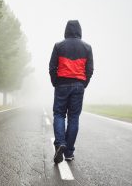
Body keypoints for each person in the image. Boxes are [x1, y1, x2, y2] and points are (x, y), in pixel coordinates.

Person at [49, 20, 94, 164]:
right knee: (74, 117)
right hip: (78, 86)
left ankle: (60, 143)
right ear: (79, 30)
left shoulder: (58, 46)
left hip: (62, 84)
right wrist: (83, 84)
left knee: (59, 114)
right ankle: (68, 152)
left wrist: (56, 82)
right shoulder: (87, 47)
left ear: (66, 30)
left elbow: (52, 67)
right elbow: (90, 69)